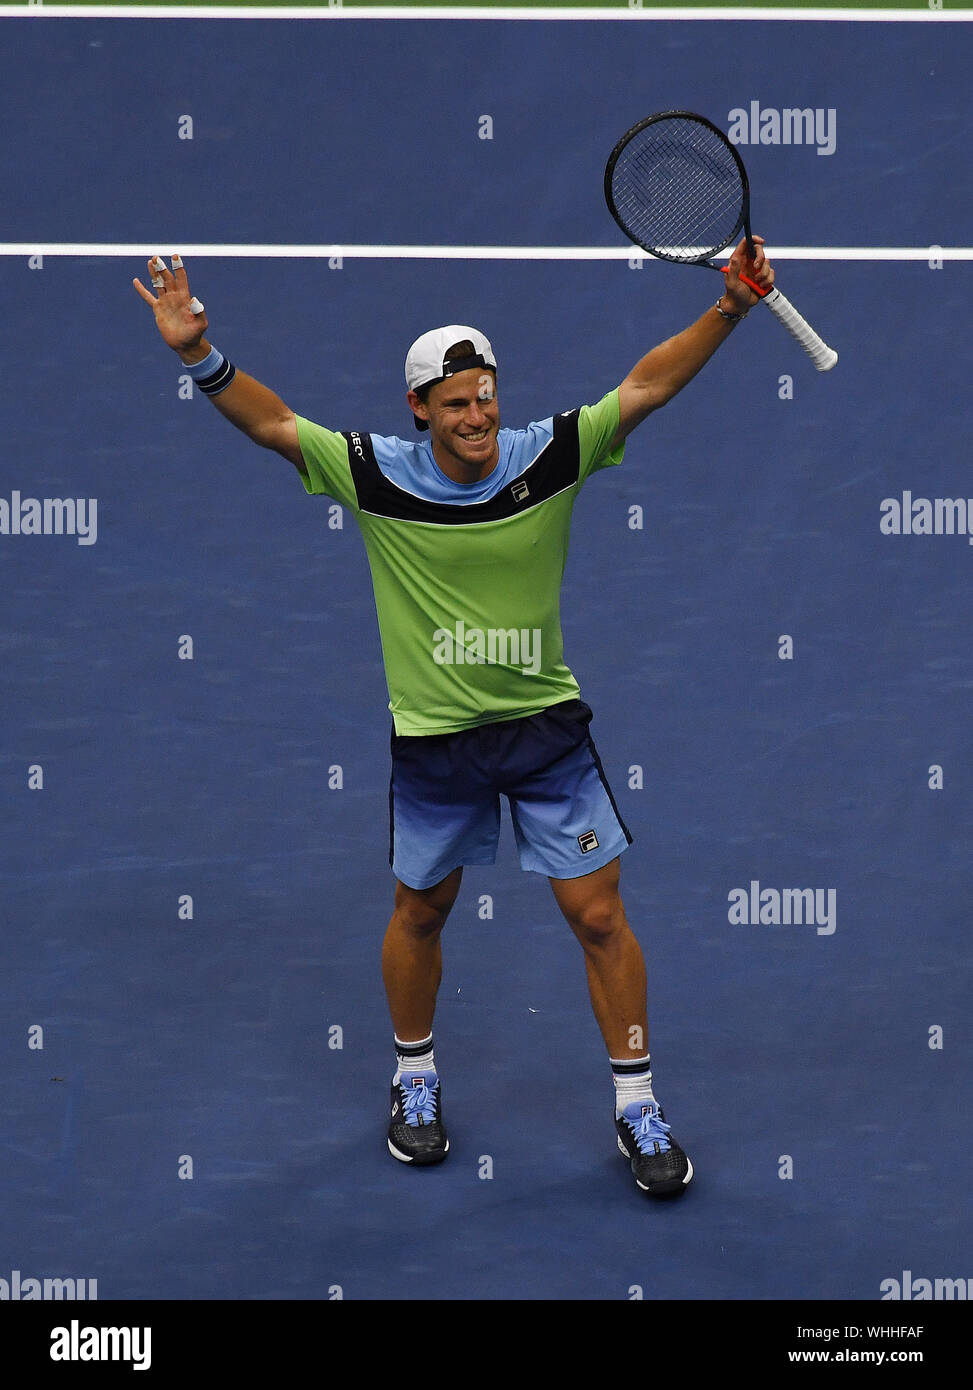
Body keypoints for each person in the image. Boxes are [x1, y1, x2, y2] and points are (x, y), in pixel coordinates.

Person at [134, 240, 774, 1199]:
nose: (478, 415)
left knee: (599, 916)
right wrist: (197, 356)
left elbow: (643, 388)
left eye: (486, 396)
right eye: (457, 401)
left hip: (546, 728)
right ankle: (414, 1080)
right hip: (435, 742)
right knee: (421, 912)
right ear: (419, 410)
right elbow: (272, 425)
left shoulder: (548, 457)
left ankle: (637, 1104)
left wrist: (728, 308)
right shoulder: (376, 475)